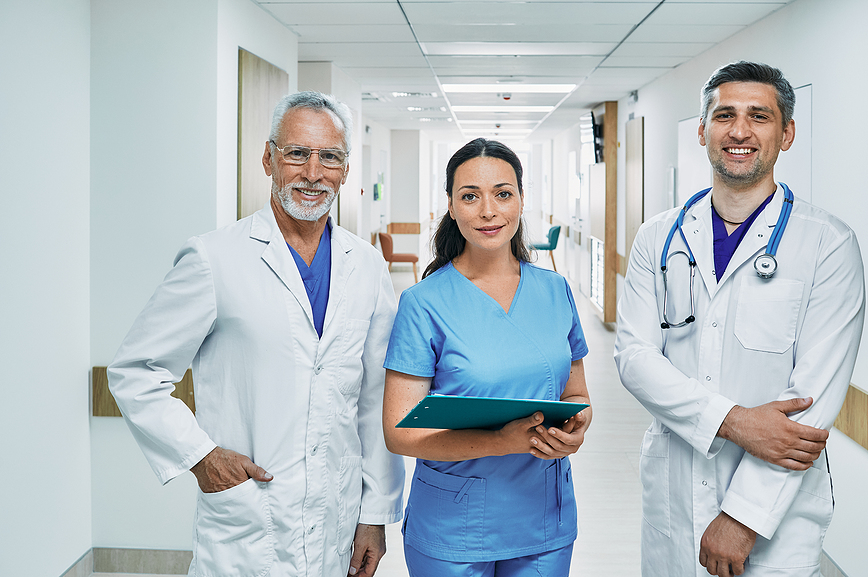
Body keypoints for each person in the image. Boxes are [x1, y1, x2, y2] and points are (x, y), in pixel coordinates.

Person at [107, 91, 405, 577]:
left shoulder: (367, 265)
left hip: (337, 521)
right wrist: (200, 456)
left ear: (346, 170)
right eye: (297, 154)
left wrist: (375, 515)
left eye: (329, 157)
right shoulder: (214, 258)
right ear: (268, 158)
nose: (313, 173)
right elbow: (135, 371)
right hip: (250, 524)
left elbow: (374, 398)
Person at [615, 61, 865, 576]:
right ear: (703, 130)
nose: (740, 131)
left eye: (760, 116)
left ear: (787, 133)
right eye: (725, 115)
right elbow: (635, 359)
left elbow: (809, 406)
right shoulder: (657, 237)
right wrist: (735, 422)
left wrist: (741, 517)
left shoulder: (828, 245)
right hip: (675, 494)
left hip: (775, 515)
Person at [381, 138, 592, 576]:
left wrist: (577, 425)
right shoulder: (424, 303)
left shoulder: (555, 291)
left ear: (520, 200)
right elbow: (399, 432)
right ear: (452, 207)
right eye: (470, 196)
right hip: (452, 525)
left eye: (502, 193)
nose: (488, 211)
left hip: (544, 517)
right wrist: (502, 441)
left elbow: (576, 392)